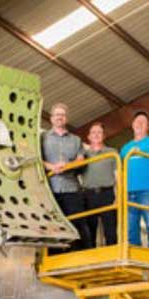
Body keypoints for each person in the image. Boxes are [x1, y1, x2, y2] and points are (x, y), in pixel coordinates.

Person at [42, 103, 91, 251]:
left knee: (78, 224)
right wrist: (52, 167)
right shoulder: (42, 138)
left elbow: (81, 159)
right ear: (51, 118)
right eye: (57, 114)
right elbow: (38, 159)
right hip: (50, 190)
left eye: (62, 115)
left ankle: (80, 256)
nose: (60, 117)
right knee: (54, 226)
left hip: (72, 188)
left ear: (66, 118)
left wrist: (68, 165)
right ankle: (54, 258)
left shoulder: (76, 140)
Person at [119, 111, 149, 249]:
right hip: (129, 192)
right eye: (137, 121)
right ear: (132, 125)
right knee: (131, 230)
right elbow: (120, 171)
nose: (139, 124)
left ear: (147, 126)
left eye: (143, 122)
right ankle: (134, 256)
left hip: (148, 191)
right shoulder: (125, 148)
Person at [81, 122, 118, 245]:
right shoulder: (83, 155)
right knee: (89, 232)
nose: (96, 135)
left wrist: (119, 196)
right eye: (93, 132)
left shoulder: (112, 152)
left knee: (111, 231)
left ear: (104, 136)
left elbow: (118, 176)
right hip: (89, 195)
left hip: (107, 194)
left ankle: (112, 255)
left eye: (99, 132)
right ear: (89, 137)